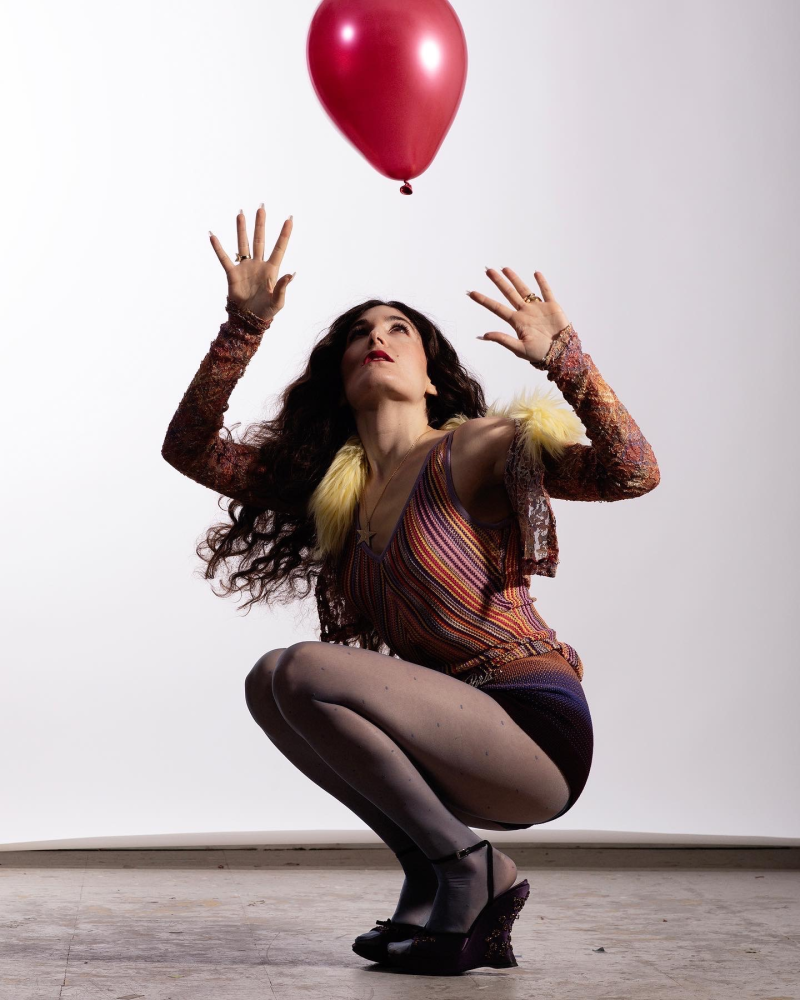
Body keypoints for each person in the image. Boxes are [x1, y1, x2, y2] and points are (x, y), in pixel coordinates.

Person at [161, 205, 660, 975]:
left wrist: (565, 355)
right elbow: (188, 449)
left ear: (431, 375)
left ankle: (470, 869)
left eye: (399, 330)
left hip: (533, 728)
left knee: (300, 667)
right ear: (341, 379)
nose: (376, 339)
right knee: (270, 682)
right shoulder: (338, 492)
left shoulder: (479, 445)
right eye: (359, 333)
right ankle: (435, 867)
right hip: (447, 739)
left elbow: (632, 471)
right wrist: (243, 327)